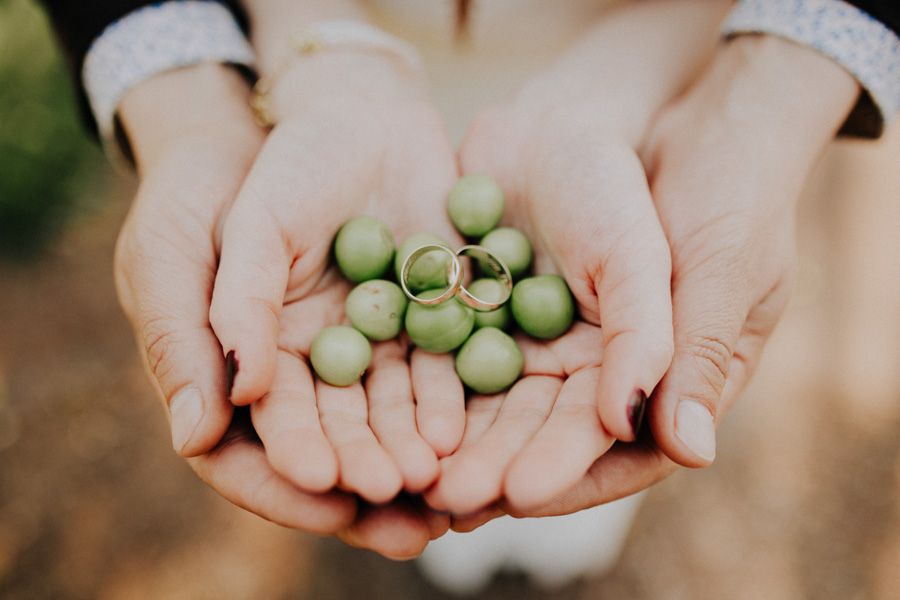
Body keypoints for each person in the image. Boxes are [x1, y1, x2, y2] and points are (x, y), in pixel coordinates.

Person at [36, 0, 900, 576]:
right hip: (320, 69)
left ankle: (538, 550)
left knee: (600, 355)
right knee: (452, 453)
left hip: (625, 90)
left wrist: (767, 85)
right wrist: (186, 100)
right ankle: (458, 552)